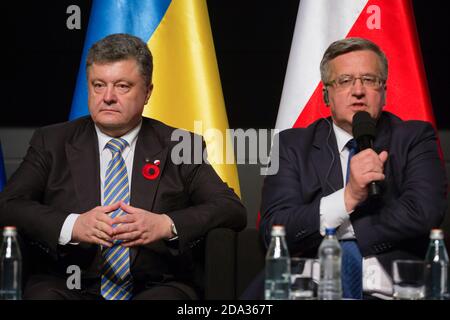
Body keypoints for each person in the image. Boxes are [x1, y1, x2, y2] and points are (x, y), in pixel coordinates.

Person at [0, 33, 246, 300]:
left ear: (148, 92)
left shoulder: (179, 145)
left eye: (122, 86)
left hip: (154, 287)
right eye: (98, 85)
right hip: (67, 285)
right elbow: (8, 205)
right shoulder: (52, 142)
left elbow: (231, 209)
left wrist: (166, 224)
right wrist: (72, 225)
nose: (107, 97)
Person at [257, 37, 447, 299]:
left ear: (384, 92)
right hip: (311, 286)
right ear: (327, 95)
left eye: (369, 80)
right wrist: (348, 197)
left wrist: (332, 222)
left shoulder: (414, 137)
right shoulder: (291, 145)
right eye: (345, 81)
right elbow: (275, 230)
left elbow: (424, 212)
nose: (358, 90)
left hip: (394, 286)